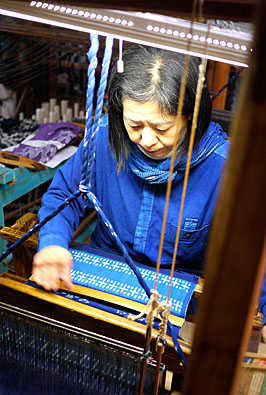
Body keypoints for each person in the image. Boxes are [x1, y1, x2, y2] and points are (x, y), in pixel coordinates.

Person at [32, 44, 230, 293]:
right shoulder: (104, 139)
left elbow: (252, 248)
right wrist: (53, 242)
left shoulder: (223, 168)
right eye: (134, 125)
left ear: (190, 115)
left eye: (161, 128)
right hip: (106, 266)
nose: (146, 140)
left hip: (180, 289)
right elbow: (65, 195)